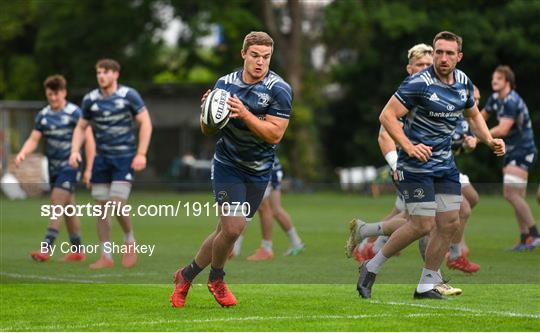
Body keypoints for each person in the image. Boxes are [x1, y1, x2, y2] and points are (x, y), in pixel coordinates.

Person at [356, 31, 504, 300]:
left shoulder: (463, 83)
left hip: (445, 165)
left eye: (449, 53)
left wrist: (489, 139)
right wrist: (408, 146)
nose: (443, 58)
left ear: (459, 56)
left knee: (449, 223)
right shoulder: (418, 83)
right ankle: (371, 266)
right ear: (434, 53)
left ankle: (426, 283)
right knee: (422, 225)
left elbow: (473, 116)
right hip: (415, 166)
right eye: (439, 52)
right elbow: (386, 116)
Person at [170, 31, 292, 308]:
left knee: (223, 233)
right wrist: (208, 113)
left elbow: (274, 135)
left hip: (260, 171)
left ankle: (185, 276)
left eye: (266, 57)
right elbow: (207, 129)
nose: (260, 62)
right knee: (234, 228)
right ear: (243, 54)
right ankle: (217, 279)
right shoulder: (224, 85)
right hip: (228, 165)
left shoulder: (279, 89)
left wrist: (245, 113)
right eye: (255, 56)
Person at [350, 43, 434, 263]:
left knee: (410, 217)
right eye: (420, 64)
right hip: (407, 168)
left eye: (428, 64)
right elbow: (383, 136)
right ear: (410, 68)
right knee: (426, 222)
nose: (425, 68)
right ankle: (432, 276)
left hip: (428, 166)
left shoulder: (434, 91)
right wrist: (396, 166)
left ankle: (368, 237)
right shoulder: (407, 91)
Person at [69, 59, 153, 269]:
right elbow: (81, 127)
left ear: (116, 74)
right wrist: (74, 152)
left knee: (117, 203)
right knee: (101, 209)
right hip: (101, 160)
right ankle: (106, 255)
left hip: (124, 158)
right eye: (98, 72)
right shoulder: (90, 99)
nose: (101, 76)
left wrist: (141, 153)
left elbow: (145, 122)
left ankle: (129, 240)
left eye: (105, 72)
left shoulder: (129, 95)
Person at [16, 74, 95, 262]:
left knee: (56, 201)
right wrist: (23, 153)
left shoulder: (76, 113)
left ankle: (46, 248)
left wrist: (89, 168)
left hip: (71, 166)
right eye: (50, 94)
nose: (53, 98)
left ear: (64, 93)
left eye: (56, 94)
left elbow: (89, 139)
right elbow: (34, 138)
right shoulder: (43, 115)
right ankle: (77, 250)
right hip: (53, 168)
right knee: (68, 208)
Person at [481, 65, 538, 250]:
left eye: (498, 78)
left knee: (510, 193)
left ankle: (535, 235)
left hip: (523, 149)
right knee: (517, 195)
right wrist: (463, 128)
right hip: (511, 150)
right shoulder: (496, 98)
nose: (493, 81)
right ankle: (525, 239)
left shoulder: (511, 100)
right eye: (492, 78)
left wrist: (480, 137)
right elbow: (478, 118)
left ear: (508, 81)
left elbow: (503, 129)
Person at [232, 156, 304, 260]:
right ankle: (296, 242)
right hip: (267, 164)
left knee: (260, 206)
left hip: (263, 164)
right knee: (274, 209)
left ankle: (261, 248)